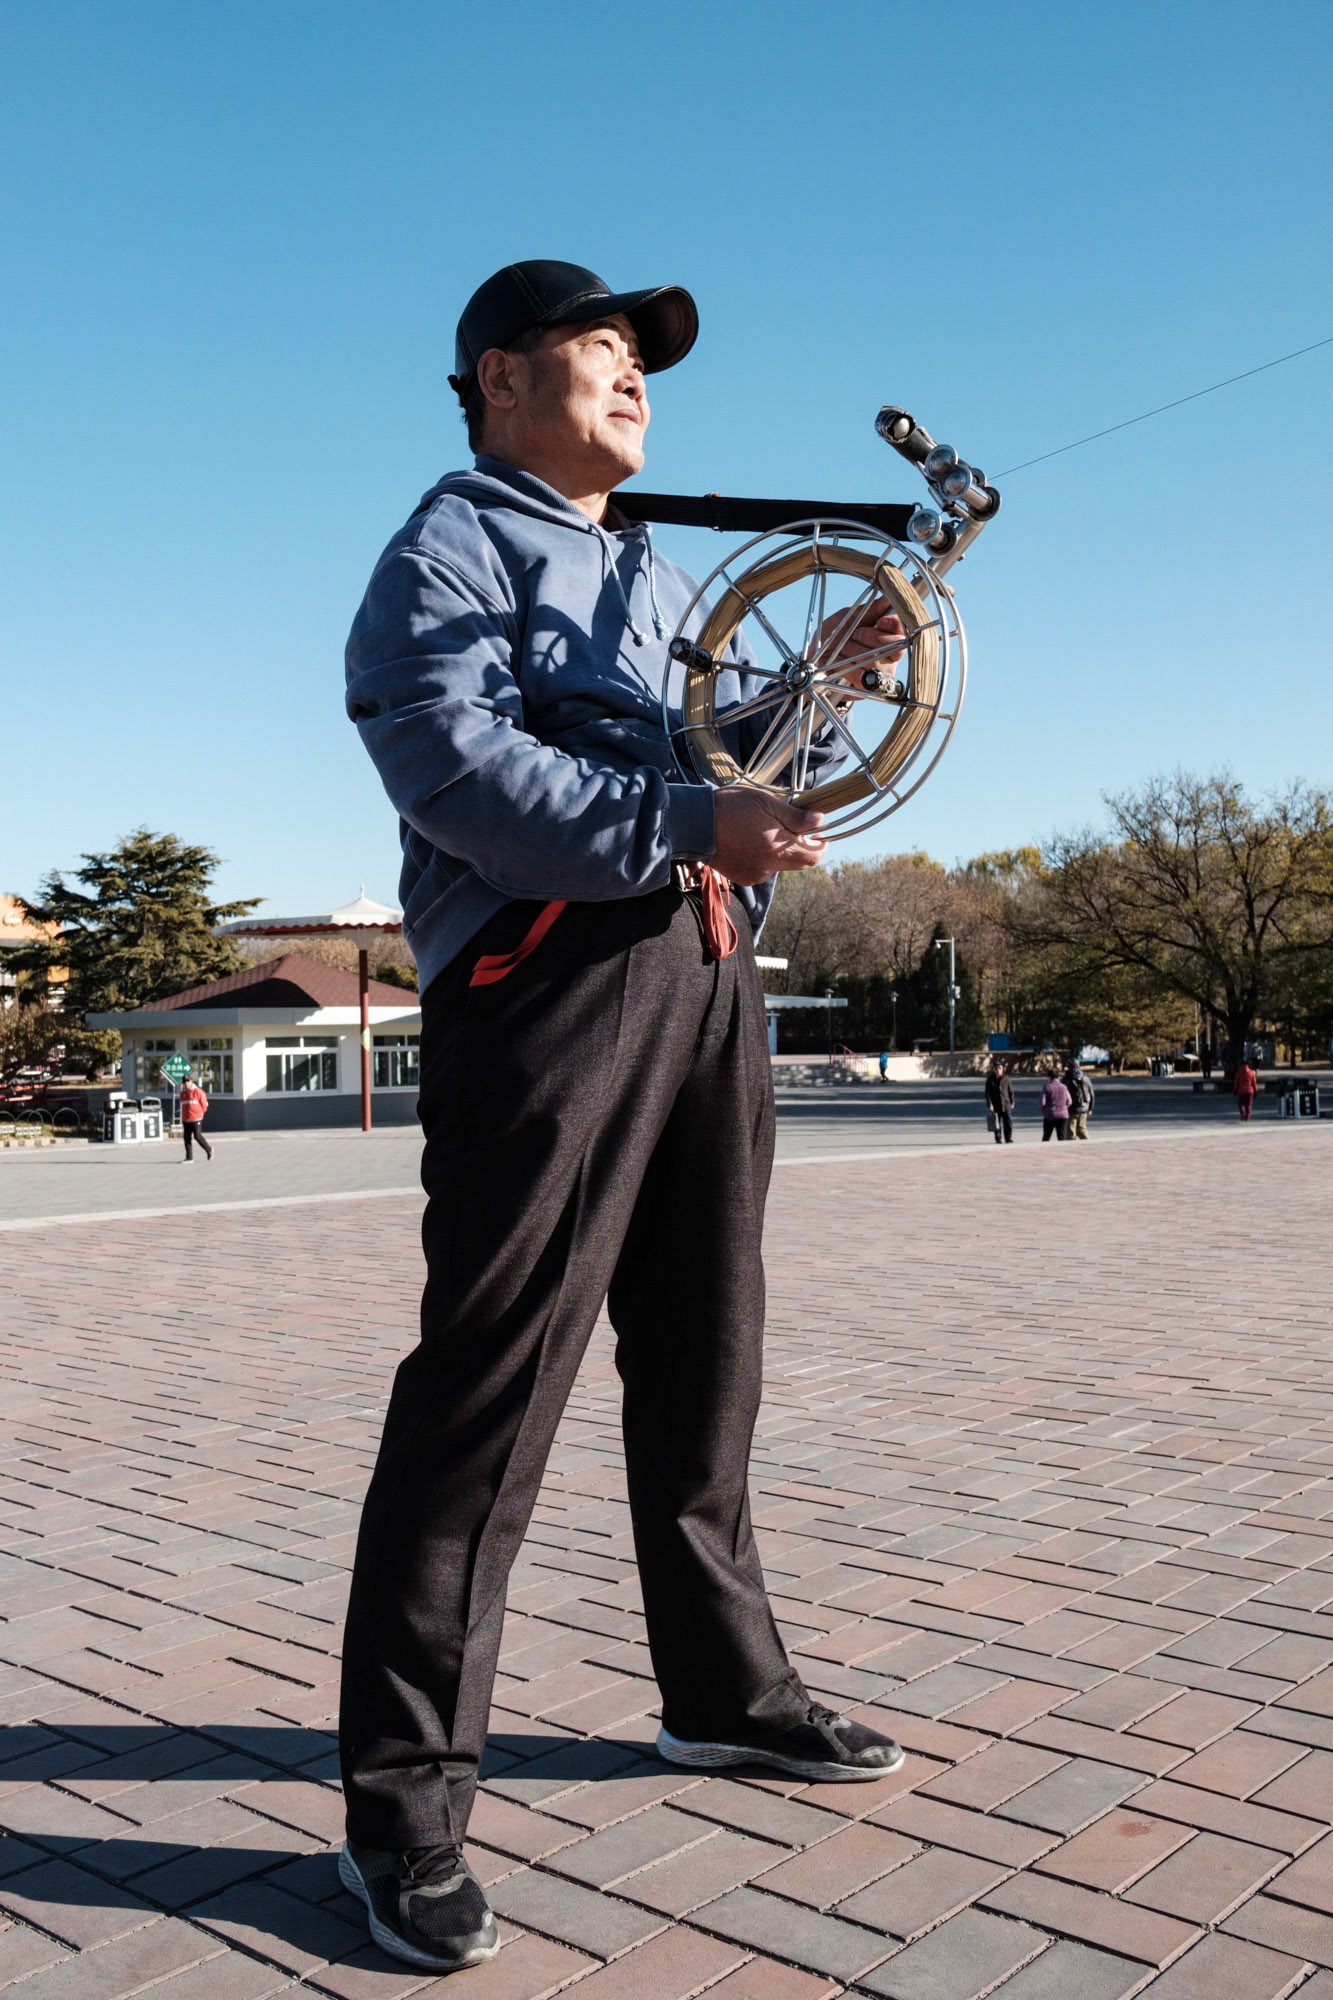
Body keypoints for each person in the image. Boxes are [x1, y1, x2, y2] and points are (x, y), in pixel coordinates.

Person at [337, 260, 908, 1974]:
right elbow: (449, 761)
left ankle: (723, 1695)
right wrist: (687, 810)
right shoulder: (450, 546)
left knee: (706, 1346)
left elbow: (715, 752)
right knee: (492, 1387)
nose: (631, 379)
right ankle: (403, 1805)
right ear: (498, 379)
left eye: (639, 360)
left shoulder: (654, 572)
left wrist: (818, 680)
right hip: (545, 983)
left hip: (705, 970)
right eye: (595, 353)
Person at [178, 1076, 212, 1161]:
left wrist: (201, 1114)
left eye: (187, 1081)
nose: (186, 1083)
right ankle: (189, 1158)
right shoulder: (183, 1094)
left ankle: (209, 1149)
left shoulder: (198, 1092)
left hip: (196, 1118)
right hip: (186, 1119)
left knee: (197, 1136)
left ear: (191, 1081)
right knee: (187, 1138)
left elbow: (205, 1105)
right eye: (184, 1082)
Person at [1063, 1059, 1095, 1140]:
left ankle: (1071, 1148)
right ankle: (1089, 1145)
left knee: (1070, 1131)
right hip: (1084, 1107)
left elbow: (1062, 1094)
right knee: (1082, 1129)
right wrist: (1090, 1108)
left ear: (1068, 1067)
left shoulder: (1066, 1079)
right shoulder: (1085, 1078)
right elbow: (1091, 1093)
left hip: (1071, 1109)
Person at [985, 1060, 1014, 1143]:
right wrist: (990, 1104)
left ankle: (1008, 1138)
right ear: (993, 1069)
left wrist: (1012, 1102)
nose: (998, 1070)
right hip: (995, 1105)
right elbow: (987, 1093)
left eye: (1000, 1068)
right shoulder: (990, 1079)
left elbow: (1010, 1091)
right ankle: (998, 1138)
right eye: (996, 1068)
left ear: (1002, 1069)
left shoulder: (1006, 1078)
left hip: (1006, 1104)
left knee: (1008, 1122)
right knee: (997, 1123)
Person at [1040, 1070, 1071, 1141]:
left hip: (1050, 1114)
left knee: (1046, 1137)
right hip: (1063, 1115)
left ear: (1049, 1077)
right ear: (1058, 1077)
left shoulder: (1047, 1087)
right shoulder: (1064, 1087)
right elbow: (1069, 1101)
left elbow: (1042, 1102)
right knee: (1062, 1137)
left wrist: (1044, 1110)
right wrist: (1064, 1108)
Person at [1234, 1057, 1258, 1121]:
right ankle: (1247, 1115)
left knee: (1240, 1103)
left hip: (1241, 1090)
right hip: (1250, 1091)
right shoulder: (1252, 1073)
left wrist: (1235, 1090)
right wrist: (1256, 1091)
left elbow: (1236, 1082)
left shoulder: (1239, 1072)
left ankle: (1242, 1113)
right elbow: (1254, 1083)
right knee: (1248, 1104)